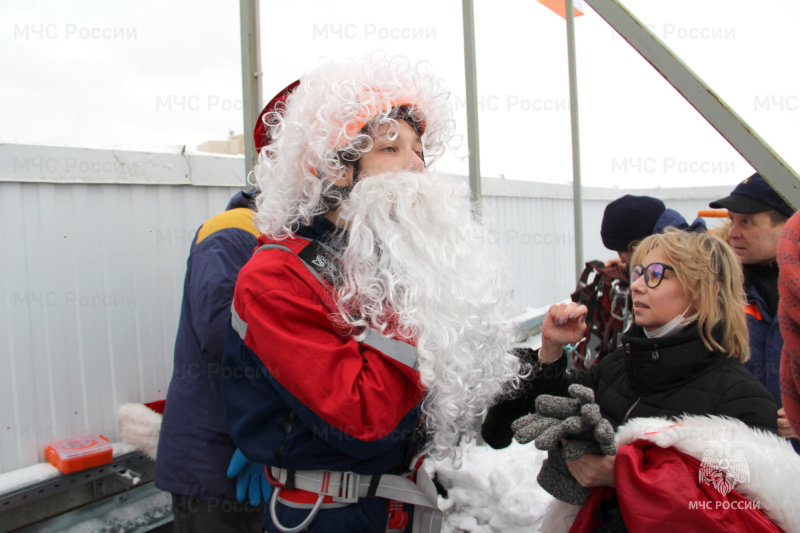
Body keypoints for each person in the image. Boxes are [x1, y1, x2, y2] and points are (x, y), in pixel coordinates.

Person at [221, 54, 521, 533]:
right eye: (391, 149)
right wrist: (416, 294)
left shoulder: (374, 261)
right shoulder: (277, 278)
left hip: (395, 507)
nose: (416, 166)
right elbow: (362, 419)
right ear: (338, 169)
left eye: (419, 149)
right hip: (330, 518)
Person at [483, 230, 786, 530]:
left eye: (656, 274)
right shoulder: (621, 362)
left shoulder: (743, 399)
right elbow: (563, 402)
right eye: (637, 272)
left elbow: (735, 514)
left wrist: (623, 476)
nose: (637, 286)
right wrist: (551, 350)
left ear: (702, 290)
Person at [153, 85, 299, 532]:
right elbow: (226, 337)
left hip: (263, 452)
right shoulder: (231, 234)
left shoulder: (289, 241)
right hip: (217, 463)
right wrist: (261, 434)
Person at [709, 172, 798, 444]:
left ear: (788, 225)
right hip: (742, 459)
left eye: (746, 221)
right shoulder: (716, 290)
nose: (733, 232)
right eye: (732, 219)